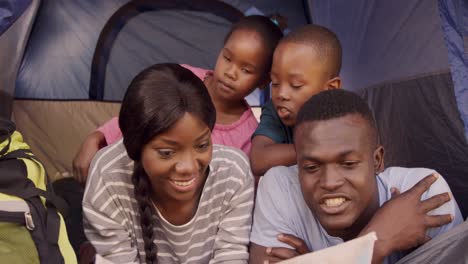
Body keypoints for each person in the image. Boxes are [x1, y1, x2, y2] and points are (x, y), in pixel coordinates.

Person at [249, 89, 463, 264]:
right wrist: (376, 242)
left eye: (348, 164)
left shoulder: (423, 194)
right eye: (312, 167)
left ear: (377, 160)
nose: (330, 182)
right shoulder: (280, 187)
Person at [73, 15, 283, 185]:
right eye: (227, 58)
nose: (231, 72)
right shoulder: (181, 78)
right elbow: (134, 118)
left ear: (263, 81)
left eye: (246, 70)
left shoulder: (248, 136)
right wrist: (96, 138)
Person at [83, 64, 254, 263]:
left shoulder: (233, 172)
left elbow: (231, 257)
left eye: (202, 145)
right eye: (167, 152)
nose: (188, 167)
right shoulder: (108, 176)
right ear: (136, 148)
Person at [250, 24, 342, 176]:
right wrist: (317, 149)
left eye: (296, 85)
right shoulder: (274, 111)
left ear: (330, 89)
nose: (281, 94)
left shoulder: (349, 117)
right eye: (276, 83)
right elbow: (259, 159)